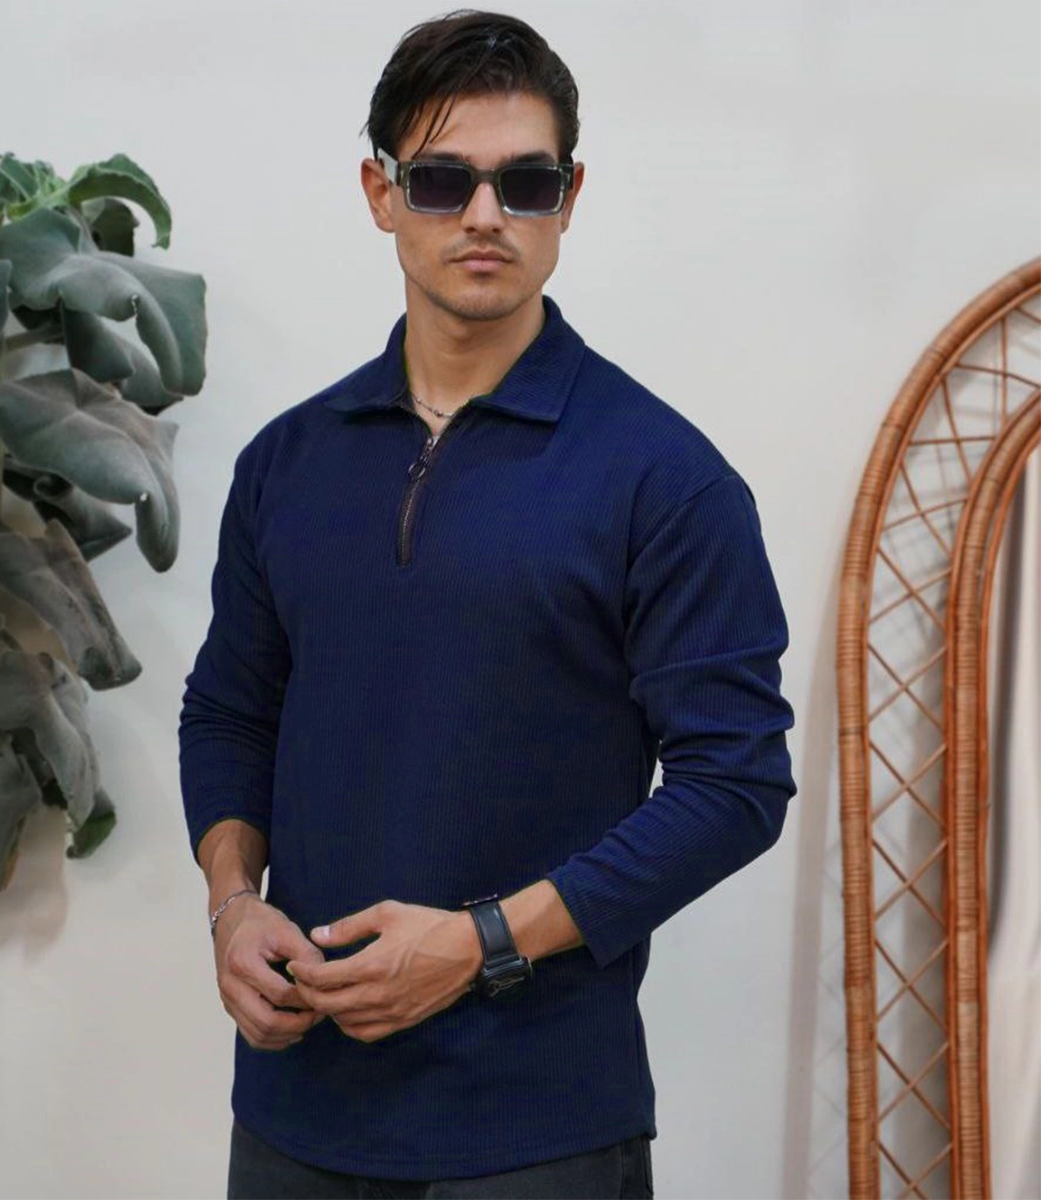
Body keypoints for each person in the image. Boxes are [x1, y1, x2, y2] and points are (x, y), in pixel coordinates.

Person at [178, 10, 797, 1199]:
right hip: (296, 1107)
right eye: (440, 179)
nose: (482, 214)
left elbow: (734, 784)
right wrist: (230, 905)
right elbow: (230, 712)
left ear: (570, 197)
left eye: (525, 182)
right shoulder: (287, 462)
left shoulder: (665, 477)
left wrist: (480, 945)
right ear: (380, 192)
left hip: (541, 1129)